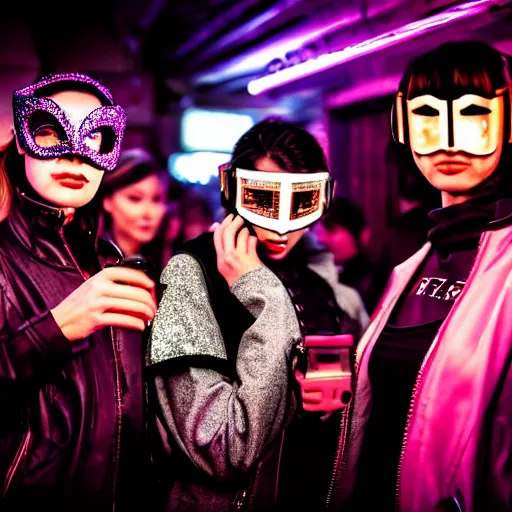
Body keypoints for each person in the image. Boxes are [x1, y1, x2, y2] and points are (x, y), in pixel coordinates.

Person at [147, 119, 368, 511]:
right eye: (263, 200)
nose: (281, 227)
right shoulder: (190, 275)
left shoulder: (324, 282)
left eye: (301, 203)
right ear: (233, 190)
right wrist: (263, 294)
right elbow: (223, 449)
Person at [328, 41, 512, 512]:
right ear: (403, 127)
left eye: (472, 114)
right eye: (429, 116)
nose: (449, 140)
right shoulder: (414, 257)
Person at [0, 73, 157, 511]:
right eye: (50, 130)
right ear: (21, 142)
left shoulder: (110, 261)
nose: (74, 155)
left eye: (94, 137)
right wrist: (53, 330)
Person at [100, 147, 170, 282]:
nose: (148, 213)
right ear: (107, 200)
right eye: (135, 198)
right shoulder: (88, 268)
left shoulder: (165, 262)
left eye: (156, 199)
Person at [315, 197, 381, 313]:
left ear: (363, 235)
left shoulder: (374, 281)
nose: (321, 238)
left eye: (331, 230)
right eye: (317, 231)